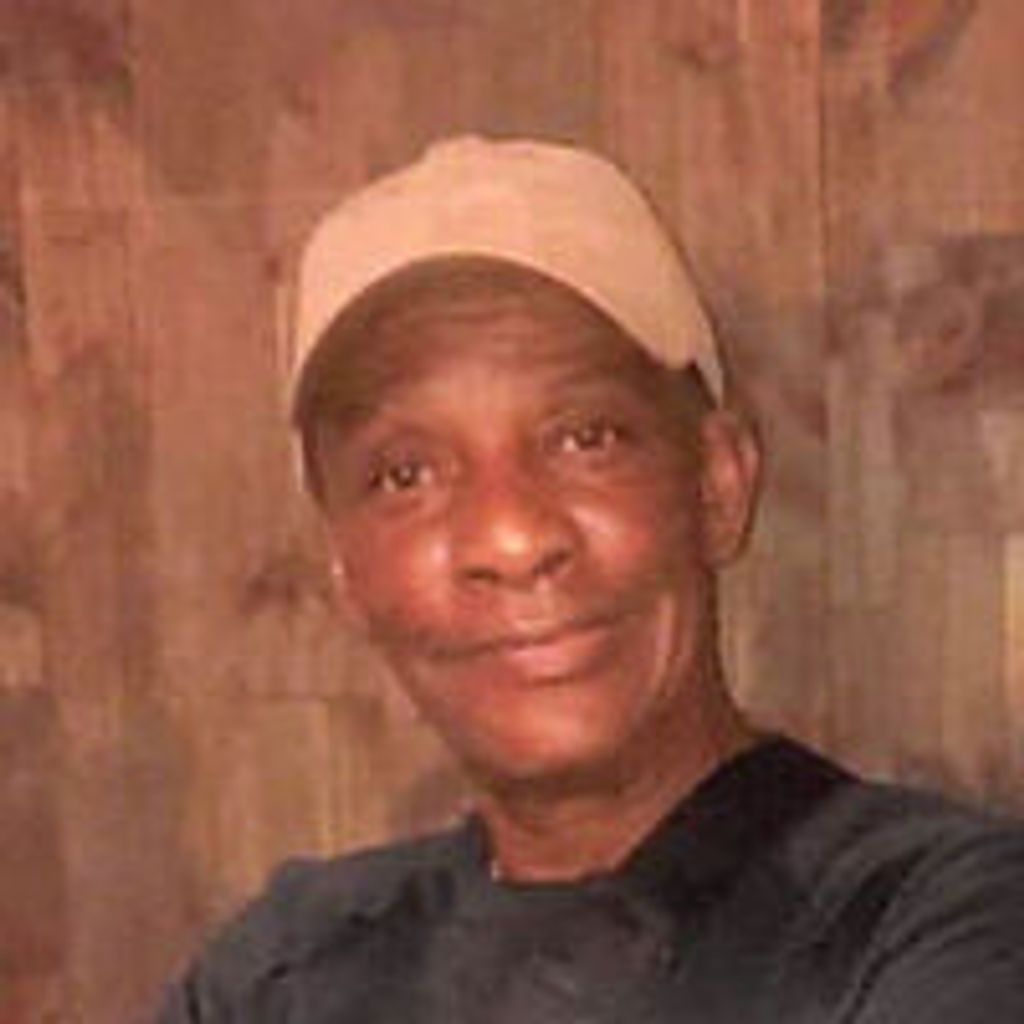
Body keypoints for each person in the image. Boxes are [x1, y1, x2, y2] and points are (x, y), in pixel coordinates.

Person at [158, 137, 1024, 1023]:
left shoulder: (936, 923)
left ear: (718, 483)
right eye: (405, 475)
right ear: (347, 573)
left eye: (585, 438)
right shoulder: (282, 973)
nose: (511, 538)